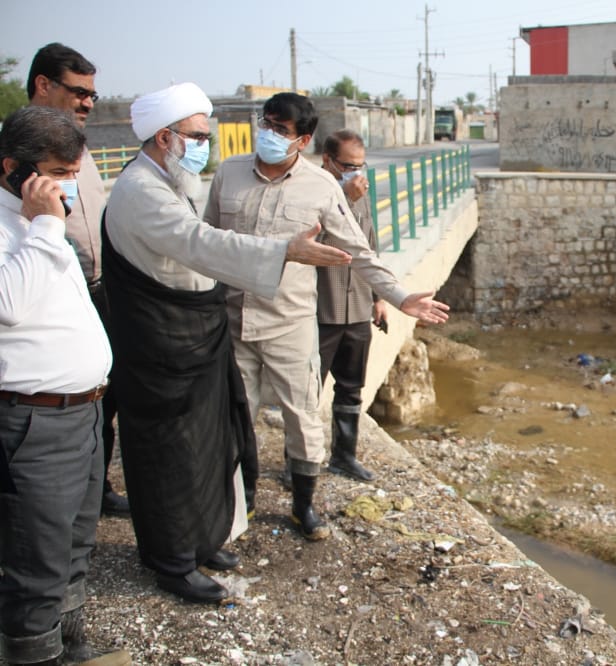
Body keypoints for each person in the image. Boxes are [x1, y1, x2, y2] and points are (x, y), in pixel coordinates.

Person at [102, 83, 353, 604]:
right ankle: (173, 561)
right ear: (165, 136)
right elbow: (202, 242)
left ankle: (202, 538)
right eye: (196, 136)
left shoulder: (175, 178)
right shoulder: (140, 190)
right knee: (171, 453)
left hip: (195, 335)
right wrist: (284, 251)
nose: (205, 145)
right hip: (160, 344)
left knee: (213, 439)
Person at [203, 94, 449, 540]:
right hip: (234, 320)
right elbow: (206, 243)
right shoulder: (229, 173)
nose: (270, 135)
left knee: (303, 418)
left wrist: (398, 296)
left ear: (304, 139)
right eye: (267, 123)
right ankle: (245, 500)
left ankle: (303, 506)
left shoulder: (319, 187)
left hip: (290, 324)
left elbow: (358, 251)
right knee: (235, 419)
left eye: (282, 130)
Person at [0, 106, 129, 665]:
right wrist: (46, 223)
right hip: (34, 423)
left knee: (77, 545)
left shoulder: (39, 222)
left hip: (83, 414)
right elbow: (10, 305)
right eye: (59, 172)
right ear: (14, 168)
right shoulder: (24, 226)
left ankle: (72, 646)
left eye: (74, 172)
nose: (68, 186)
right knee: (36, 563)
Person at [26, 42, 128, 516]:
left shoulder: (83, 151)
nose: (88, 102)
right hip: (44, 295)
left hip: (99, 290)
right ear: (43, 86)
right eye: (79, 92)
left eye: (93, 94)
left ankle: (96, 490)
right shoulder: (18, 150)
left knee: (100, 399)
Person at [318, 129, 386, 482]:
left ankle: (344, 457)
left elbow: (369, 246)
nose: (356, 173)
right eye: (348, 165)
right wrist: (342, 196)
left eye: (361, 166)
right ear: (328, 161)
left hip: (357, 306)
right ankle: (298, 462)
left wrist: (378, 298)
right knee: (305, 391)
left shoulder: (360, 194)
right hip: (321, 310)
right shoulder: (311, 193)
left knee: (351, 388)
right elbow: (307, 241)